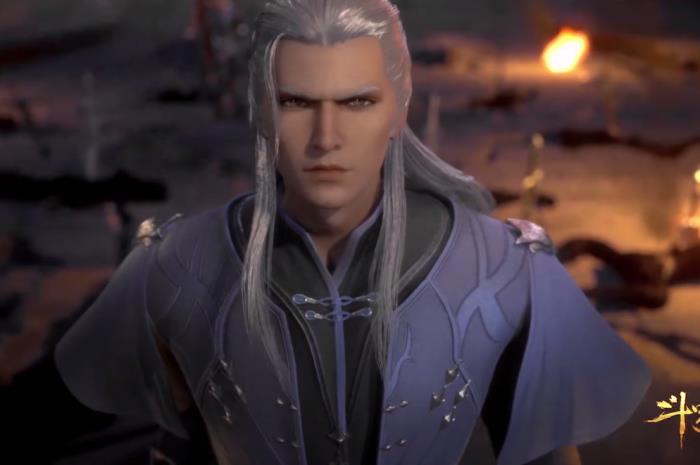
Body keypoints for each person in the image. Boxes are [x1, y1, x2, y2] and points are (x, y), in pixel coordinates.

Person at [55, 1, 651, 464]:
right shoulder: (177, 262)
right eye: (297, 103)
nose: (326, 138)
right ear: (263, 111)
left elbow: (547, 457)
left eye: (357, 103)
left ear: (398, 108)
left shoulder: (506, 267)